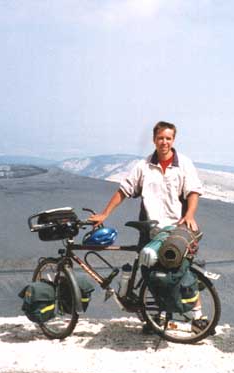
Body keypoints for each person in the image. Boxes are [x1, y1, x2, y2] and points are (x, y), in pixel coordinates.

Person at [89, 121, 208, 332]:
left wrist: (189, 214)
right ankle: (156, 318)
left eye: (168, 138)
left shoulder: (184, 164)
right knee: (150, 273)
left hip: (173, 229)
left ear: (174, 140)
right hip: (150, 229)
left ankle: (198, 317)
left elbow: (193, 192)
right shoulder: (143, 166)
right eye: (161, 138)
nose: (164, 142)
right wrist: (105, 213)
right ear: (154, 139)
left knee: (181, 272)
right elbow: (124, 190)